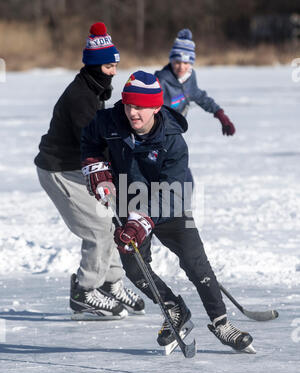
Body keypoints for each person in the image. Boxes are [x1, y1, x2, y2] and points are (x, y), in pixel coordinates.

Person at [80, 70, 255, 353]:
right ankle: (174, 308)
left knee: (197, 264)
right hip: (128, 201)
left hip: (169, 204)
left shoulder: (173, 141)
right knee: (135, 268)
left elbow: (171, 190)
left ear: (156, 107)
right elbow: (90, 140)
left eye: (140, 107)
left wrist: (142, 220)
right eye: (128, 104)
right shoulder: (110, 121)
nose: (132, 112)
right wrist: (97, 169)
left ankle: (222, 323)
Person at [34, 22, 145, 320]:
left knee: (108, 221)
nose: (114, 71)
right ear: (96, 65)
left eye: (115, 65)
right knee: (97, 229)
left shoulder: (94, 90)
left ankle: (110, 284)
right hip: (59, 170)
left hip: (77, 167)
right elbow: (93, 143)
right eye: (109, 66)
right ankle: (84, 291)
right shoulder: (81, 97)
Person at [155, 29, 235, 136]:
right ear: (171, 61)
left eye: (186, 62)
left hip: (177, 130)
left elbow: (198, 95)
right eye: (177, 62)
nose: (181, 67)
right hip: (160, 132)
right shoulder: (161, 80)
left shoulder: (190, 77)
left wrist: (219, 113)